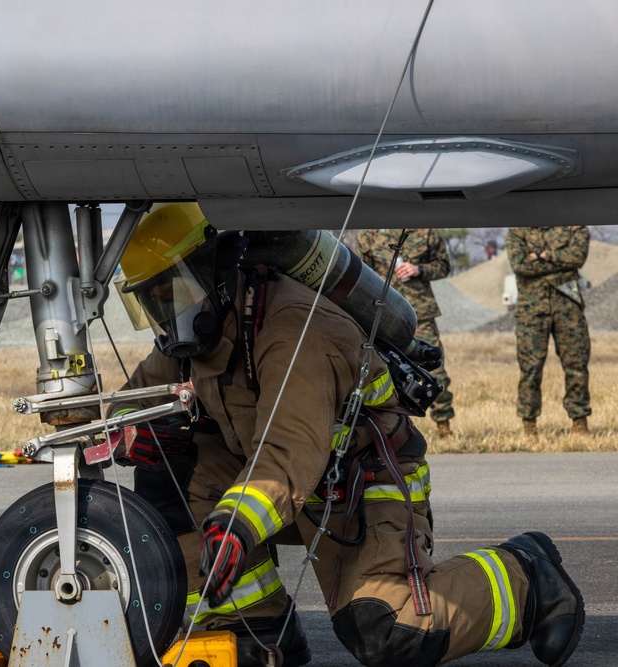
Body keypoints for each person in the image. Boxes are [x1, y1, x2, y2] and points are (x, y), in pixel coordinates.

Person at [108, 203, 584, 667]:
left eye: (175, 292)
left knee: (384, 630)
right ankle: (255, 629)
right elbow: (131, 401)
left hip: (357, 485)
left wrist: (235, 524)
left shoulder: (292, 328)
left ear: (213, 271)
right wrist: (112, 426)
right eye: (154, 300)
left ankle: (526, 575)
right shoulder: (198, 334)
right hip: (285, 487)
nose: (168, 313)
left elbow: (288, 452)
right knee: (167, 467)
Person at [356, 228, 455, 438]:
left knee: (434, 369)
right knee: (382, 370)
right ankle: (392, 427)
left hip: (421, 311)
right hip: (383, 313)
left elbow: (444, 266)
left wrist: (419, 270)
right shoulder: (369, 236)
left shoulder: (425, 232)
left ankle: (444, 427)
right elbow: (361, 272)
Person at [505, 226, 591, 436]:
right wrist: (559, 262)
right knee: (530, 370)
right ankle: (529, 426)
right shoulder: (518, 231)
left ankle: (579, 424)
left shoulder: (574, 226)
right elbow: (520, 265)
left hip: (568, 306)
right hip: (532, 310)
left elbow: (577, 257)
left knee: (576, 366)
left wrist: (542, 256)